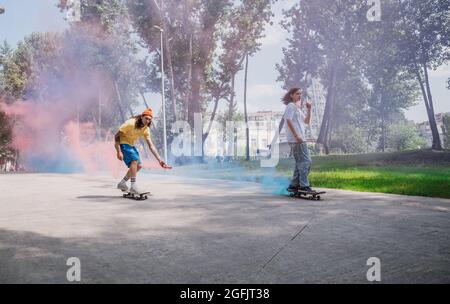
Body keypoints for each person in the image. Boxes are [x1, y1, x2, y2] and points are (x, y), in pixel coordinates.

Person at [114, 108, 170, 194]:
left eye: (149, 119)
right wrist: (118, 151)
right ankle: (133, 186)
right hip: (123, 143)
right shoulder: (130, 123)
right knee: (134, 160)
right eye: (146, 118)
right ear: (141, 117)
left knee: (139, 166)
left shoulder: (146, 129)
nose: (147, 121)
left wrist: (160, 160)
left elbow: (151, 145)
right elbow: (117, 135)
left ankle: (122, 183)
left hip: (131, 145)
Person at [282, 88, 314, 193]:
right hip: (297, 139)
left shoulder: (297, 108)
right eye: (297, 94)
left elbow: (307, 121)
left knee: (299, 162)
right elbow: (288, 120)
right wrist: (296, 136)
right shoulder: (291, 106)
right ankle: (304, 185)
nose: (299, 95)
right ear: (291, 95)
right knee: (306, 161)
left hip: (299, 139)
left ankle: (294, 185)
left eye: (300, 94)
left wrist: (309, 109)